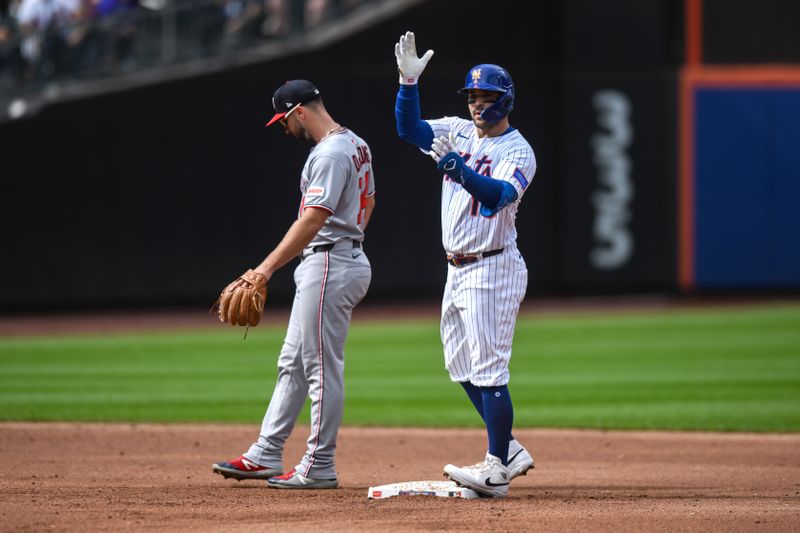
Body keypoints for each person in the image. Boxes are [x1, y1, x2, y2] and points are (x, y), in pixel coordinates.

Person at [393, 31, 536, 498]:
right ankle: (510, 448)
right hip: (456, 267)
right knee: (460, 366)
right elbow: (409, 130)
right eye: (473, 96)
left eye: (486, 97)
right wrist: (408, 84)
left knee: (490, 369)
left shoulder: (519, 151)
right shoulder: (456, 129)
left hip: (492, 265)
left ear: (505, 99)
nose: (477, 104)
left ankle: (497, 466)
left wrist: (459, 169)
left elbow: (498, 197)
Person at [212, 79, 375, 489]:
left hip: (330, 264)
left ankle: (320, 464)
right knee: (293, 362)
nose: (284, 129)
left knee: (320, 369)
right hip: (338, 257)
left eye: (284, 120)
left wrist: (263, 270)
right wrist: (352, 238)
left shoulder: (331, 153)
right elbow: (370, 202)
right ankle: (266, 450)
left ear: (300, 111)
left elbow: (313, 218)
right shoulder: (355, 143)